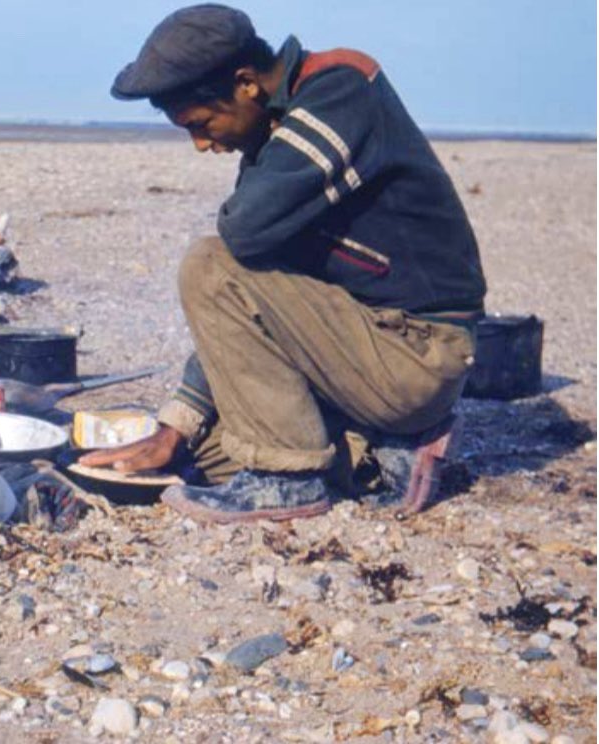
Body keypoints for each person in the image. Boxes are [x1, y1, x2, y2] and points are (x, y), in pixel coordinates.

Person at [79, 4, 486, 523]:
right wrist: (176, 425)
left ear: (246, 82)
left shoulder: (342, 87)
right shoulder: (275, 135)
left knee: (208, 262)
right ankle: (388, 453)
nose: (203, 145)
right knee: (208, 454)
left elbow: (241, 240)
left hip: (416, 352)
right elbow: (257, 302)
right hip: (358, 344)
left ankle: (286, 482)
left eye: (202, 124)